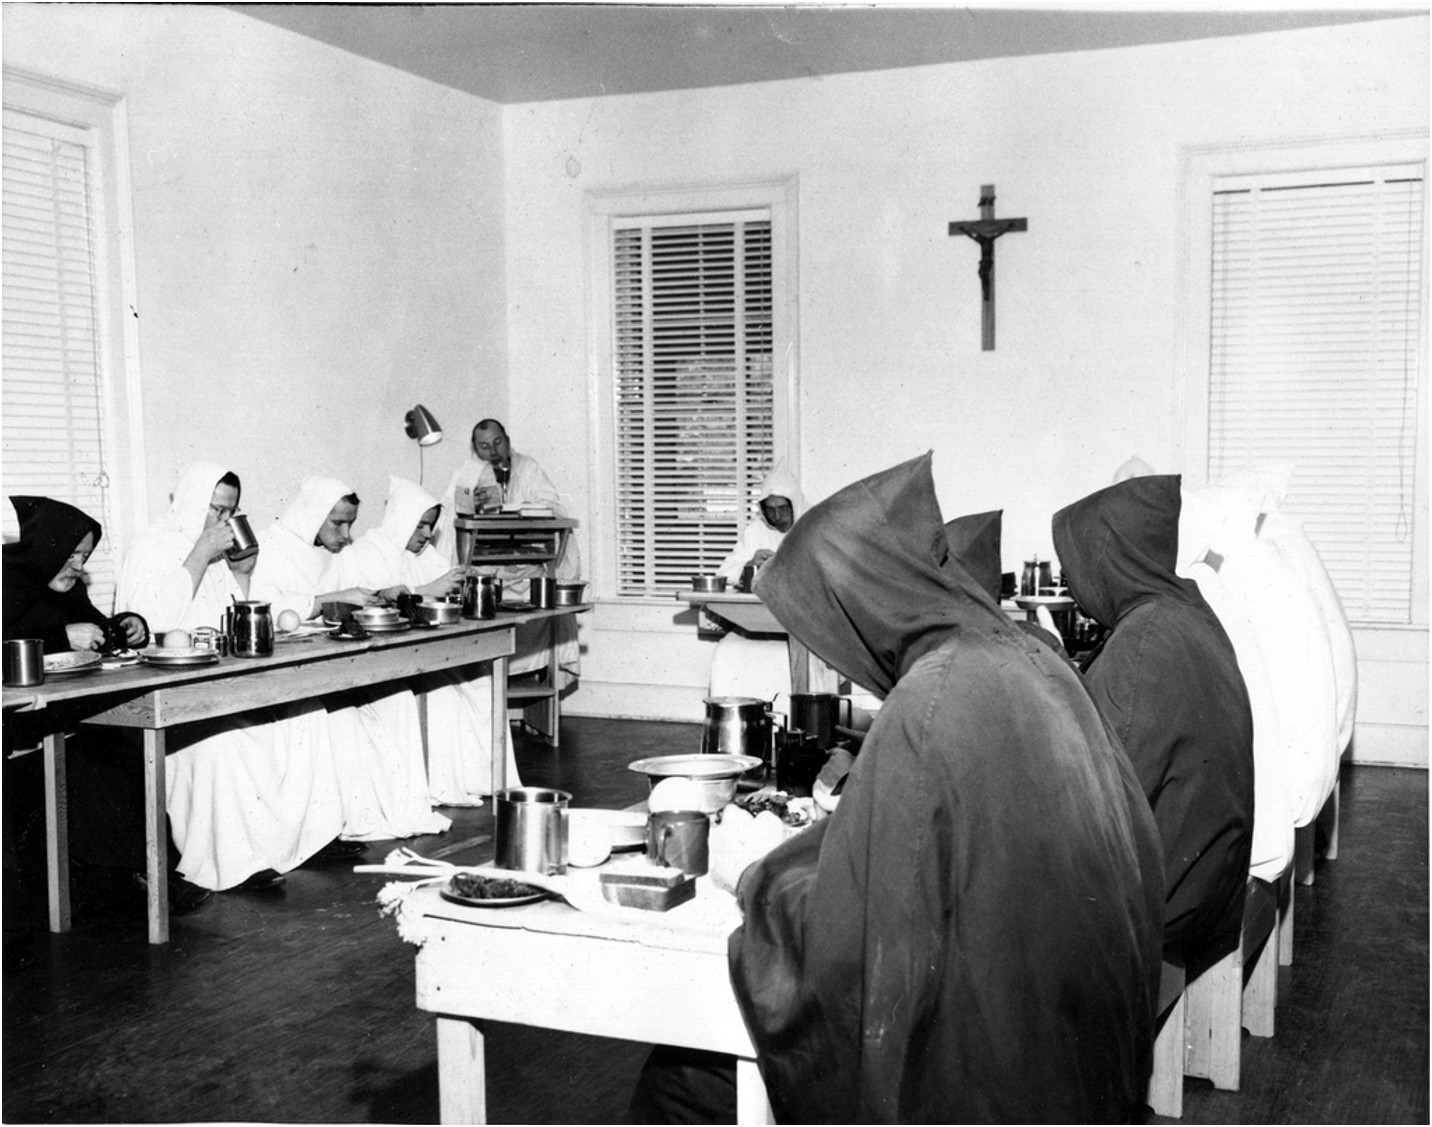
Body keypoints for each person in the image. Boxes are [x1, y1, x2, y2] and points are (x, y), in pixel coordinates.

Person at [635, 454, 1164, 1123]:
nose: (832, 656)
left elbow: (849, 954)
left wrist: (752, 873)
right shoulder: (1033, 658)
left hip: (992, 1082)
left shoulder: (931, 699)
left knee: (680, 1076)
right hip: (1084, 1052)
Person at [1052, 474, 1255, 977]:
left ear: (1107, 560)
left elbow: (1091, 806)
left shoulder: (1141, 646)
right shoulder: (1186, 612)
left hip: (1171, 907)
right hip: (1213, 880)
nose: (1071, 582)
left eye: (1074, 565)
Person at [118, 468, 350, 893]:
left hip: (223, 682)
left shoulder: (218, 552)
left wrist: (242, 573)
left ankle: (308, 840)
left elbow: (233, 614)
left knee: (308, 714)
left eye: (231, 510)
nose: (224, 520)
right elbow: (151, 623)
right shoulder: (150, 548)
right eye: (216, 509)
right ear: (191, 502)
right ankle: (237, 861)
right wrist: (199, 555)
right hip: (172, 693)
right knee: (224, 741)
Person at [3, 496, 211, 916]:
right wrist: (62, 638)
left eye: (84, 556)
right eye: (72, 555)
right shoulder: (7, 585)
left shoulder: (69, 588)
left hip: (65, 715)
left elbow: (98, 631)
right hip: (20, 728)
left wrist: (127, 625)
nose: (79, 566)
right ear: (47, 549)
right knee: (98, 763)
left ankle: (152, 873)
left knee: (122, 750)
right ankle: (135, 880)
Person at [252, 476, 450, 842]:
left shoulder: (336, 553)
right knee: (344, 722)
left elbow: (354, 595)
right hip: (287, 671)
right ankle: (347, 824)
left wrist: (382, 594)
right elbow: (264, 607)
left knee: (400, 698)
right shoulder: (272, 547)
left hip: (333, 662)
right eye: (337, 523)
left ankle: (405, 811)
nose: (345, 534)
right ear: (313, 515)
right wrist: (324, 601)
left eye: (350, 524)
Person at [333, 476, 519, 802]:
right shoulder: (368, 551)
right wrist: (427, 591)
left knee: (484, 683)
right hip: (386, 662)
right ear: (402, 519)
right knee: (444, 693)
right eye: (419, 526)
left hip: (428, 654)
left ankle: (488, 779)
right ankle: (441, 787)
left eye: (429, 527)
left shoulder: (425, 555)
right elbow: (371, 603)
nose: (425, 534)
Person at [713, 463, 802, 585]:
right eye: (770, 510)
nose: (777, 516)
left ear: (794, 505)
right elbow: (723, 574)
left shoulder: (813, 526)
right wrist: (750, 565)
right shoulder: (756, 530)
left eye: (782, 508)